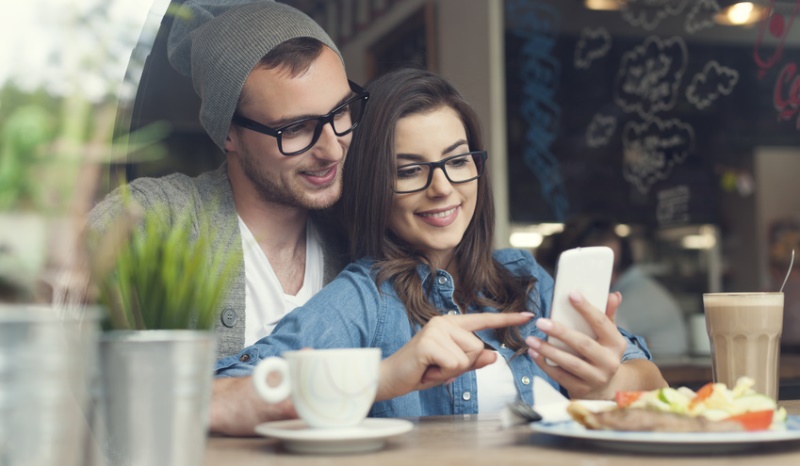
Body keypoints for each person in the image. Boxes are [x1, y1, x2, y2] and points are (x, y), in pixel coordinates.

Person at [85, 0, 530, 436]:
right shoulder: (154, 220)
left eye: (341, 113)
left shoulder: (366, 226)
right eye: (295, 129)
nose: (333, 148)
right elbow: (71, 377)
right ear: (229, 134)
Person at [215, 68, 667, 423]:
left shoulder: (524, 277)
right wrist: (384, 376)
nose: (442, 188)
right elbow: (218, 393)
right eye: (410, 170)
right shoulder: (366, 299)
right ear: (374, 185)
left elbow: (652, 384)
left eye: (456, 161)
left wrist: (605, 382)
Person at [538, 215, 690, 358]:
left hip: (666, 371)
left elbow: (601, 339)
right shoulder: (630, 288)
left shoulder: (637, 295)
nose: (608, 274)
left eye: (613, 265)